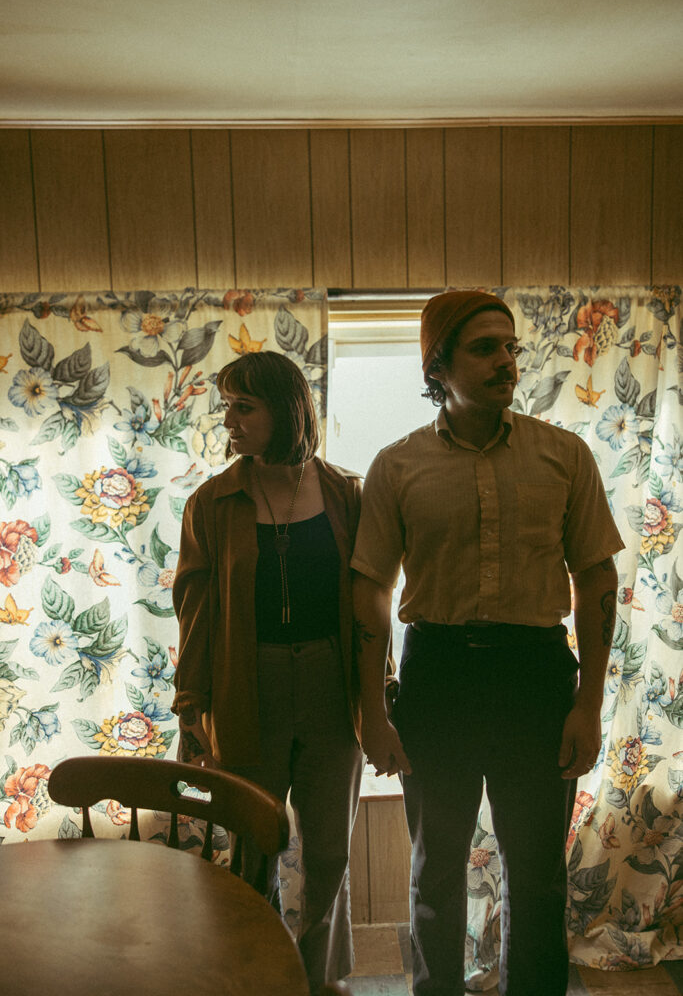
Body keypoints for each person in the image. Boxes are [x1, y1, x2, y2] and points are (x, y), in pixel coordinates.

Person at [351, 291, 624, 996]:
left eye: (510, 347)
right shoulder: (397, 466)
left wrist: (588, 704)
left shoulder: (563, 455)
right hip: (435, 675)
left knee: (536, 874)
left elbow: (595, 578)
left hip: (535, 677)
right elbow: (369, 592)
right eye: (484, 348)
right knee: (434, 870)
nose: (505, 362)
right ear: (437, 366)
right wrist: (371, 712)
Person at [172, 350, 364, 996]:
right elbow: (194, 617)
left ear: (284, 410)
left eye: (243, 407)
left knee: (330, 852)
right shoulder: (211, 502)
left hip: (330, 686)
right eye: (226, 406)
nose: (229, 419)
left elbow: (368, 607)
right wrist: (188, 711)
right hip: (241, 687)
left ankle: (316, 976)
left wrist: (377, 697)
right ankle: (255, 975)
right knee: (253, 845)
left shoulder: (344, 493)